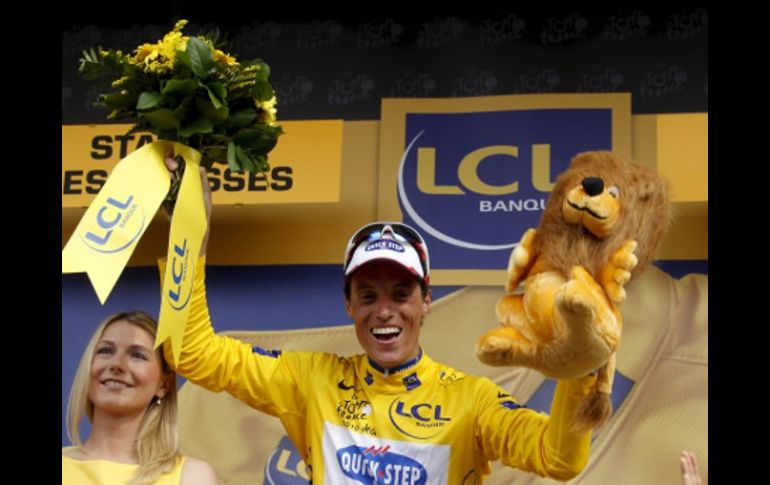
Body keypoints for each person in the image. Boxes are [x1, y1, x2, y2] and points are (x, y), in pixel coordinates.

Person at [161, 157, 598, 483]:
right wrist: (189, 231)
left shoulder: (473, 400)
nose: (384, 310)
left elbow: (558, 458)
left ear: (426, 301)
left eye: (401, 293)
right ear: (348, 305)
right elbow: (191, 352)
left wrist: (579, 366)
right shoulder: (310, 379)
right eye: (367, 295)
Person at [62, 310, 218, 485]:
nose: (116, 364)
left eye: (137, 355)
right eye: (105, 351)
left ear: (163, 385)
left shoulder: (192, 476)